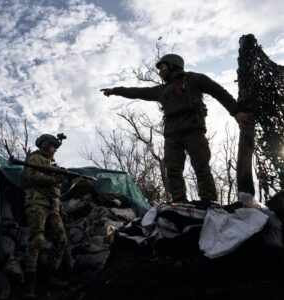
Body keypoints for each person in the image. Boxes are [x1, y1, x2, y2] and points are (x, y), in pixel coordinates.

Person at [100, 54, 253, 204]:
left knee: (201, 165)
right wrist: (115, 90)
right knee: (172, 169)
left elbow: (219, 92)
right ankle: (178, 201)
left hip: (194, 130)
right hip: (171, 135)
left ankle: (208, 199)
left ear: (174, 65)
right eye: (159, 68)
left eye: (163, 66)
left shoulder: (193, 79)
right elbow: (136, 92)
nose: (161, 70)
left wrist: (236, 112)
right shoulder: (161, 90)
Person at [20, 134, 68, 299]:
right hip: (37, 203)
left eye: (56, 147)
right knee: (37, 240)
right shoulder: (35, 158)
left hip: (53, 206)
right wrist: (54, 178)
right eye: (53, 146)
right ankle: (29, 286)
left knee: (61, 240)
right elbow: (30, 176)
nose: (54, 149)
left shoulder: (52, 163)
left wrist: (60, 207)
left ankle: (49, 277)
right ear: (46, 145)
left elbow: (56, 191)